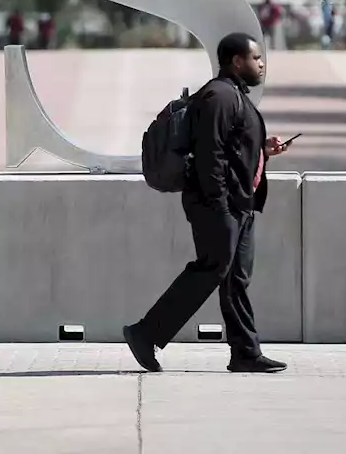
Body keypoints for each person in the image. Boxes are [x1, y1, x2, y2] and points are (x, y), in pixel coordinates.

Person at [123, 32, 291, 374]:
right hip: (219, 204)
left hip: (239, 203)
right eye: (256, 58)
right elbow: (208, 154)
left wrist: (263, 151)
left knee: (235, 278)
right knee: (213, 268)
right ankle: (146, 332)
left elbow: (232, 151)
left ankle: (245, 352)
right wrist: (219, 206)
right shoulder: (219, 96)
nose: (261, 64)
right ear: (236, 61)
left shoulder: (236, 97)